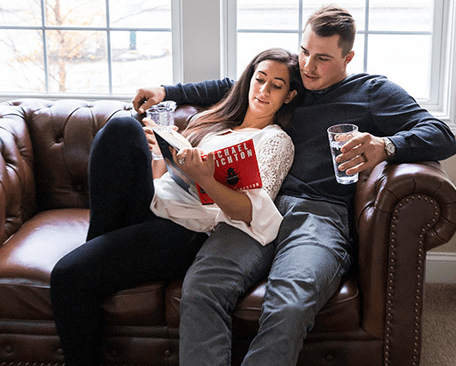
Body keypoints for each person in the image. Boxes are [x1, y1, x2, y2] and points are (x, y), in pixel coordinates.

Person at [132, 5, 456, 366]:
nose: (308, 66)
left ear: (347, 57)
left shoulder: (372, 91)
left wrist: (385, 146)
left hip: (318, 214)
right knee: (201, 291)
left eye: (322, 58)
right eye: (304, 52)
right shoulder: (293, 80)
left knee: (288, 305)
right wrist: (165, 89)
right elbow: (234, 84)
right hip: (255, 207)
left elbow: (442, 134)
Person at [50, 48, 301, 366]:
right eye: (259, 79)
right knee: (123, 129)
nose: (263, 90)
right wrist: (163, 153)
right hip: (156, 203)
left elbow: (250, 211)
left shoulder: (274, 139)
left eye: (276, 86)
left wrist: (205, 178)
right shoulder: (213, 120)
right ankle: (98, 256)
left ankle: (95, 263)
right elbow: (166, 180)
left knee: (67, 276)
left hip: (185, 230)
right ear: (248, 79)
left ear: (289, 95)